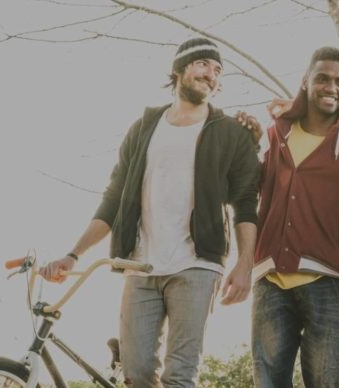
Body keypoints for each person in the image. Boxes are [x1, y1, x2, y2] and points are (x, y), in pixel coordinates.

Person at [38, 37, 261, 388]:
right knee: (136, 373)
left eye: (218, 71)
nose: (211, 75)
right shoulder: (143, 129)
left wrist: (245, 263)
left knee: (180, 375)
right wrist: (73, 254)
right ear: (179, 69)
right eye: (203, 64)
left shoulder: (232, 133)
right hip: (139, 265)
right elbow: (113, 201)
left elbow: (247, 203)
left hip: (198, 266)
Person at [252, 46, 339, 388]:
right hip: (271, 281)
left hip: (329, 282)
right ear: (306, 82)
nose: (331, 87)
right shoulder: (277, 134)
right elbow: (254, 192)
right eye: (322, 78)